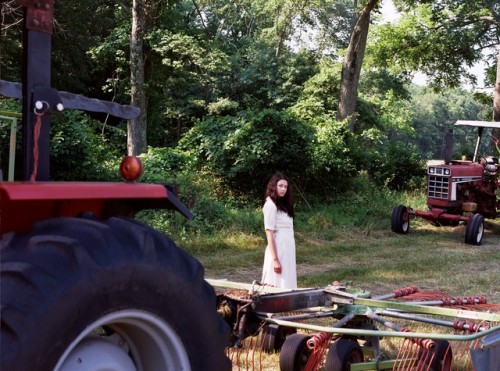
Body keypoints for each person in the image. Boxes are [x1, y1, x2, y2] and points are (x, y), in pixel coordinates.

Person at [261, 172, 297, 289]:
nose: (283, 189)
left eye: (285, 187)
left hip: (288, 247)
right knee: (278, 280)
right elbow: (269, 234)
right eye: (280, 186)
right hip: (278, 247)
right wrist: (275, 260)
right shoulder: (270, 205)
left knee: (287, 278)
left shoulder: (284, 205)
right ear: (274, 186)